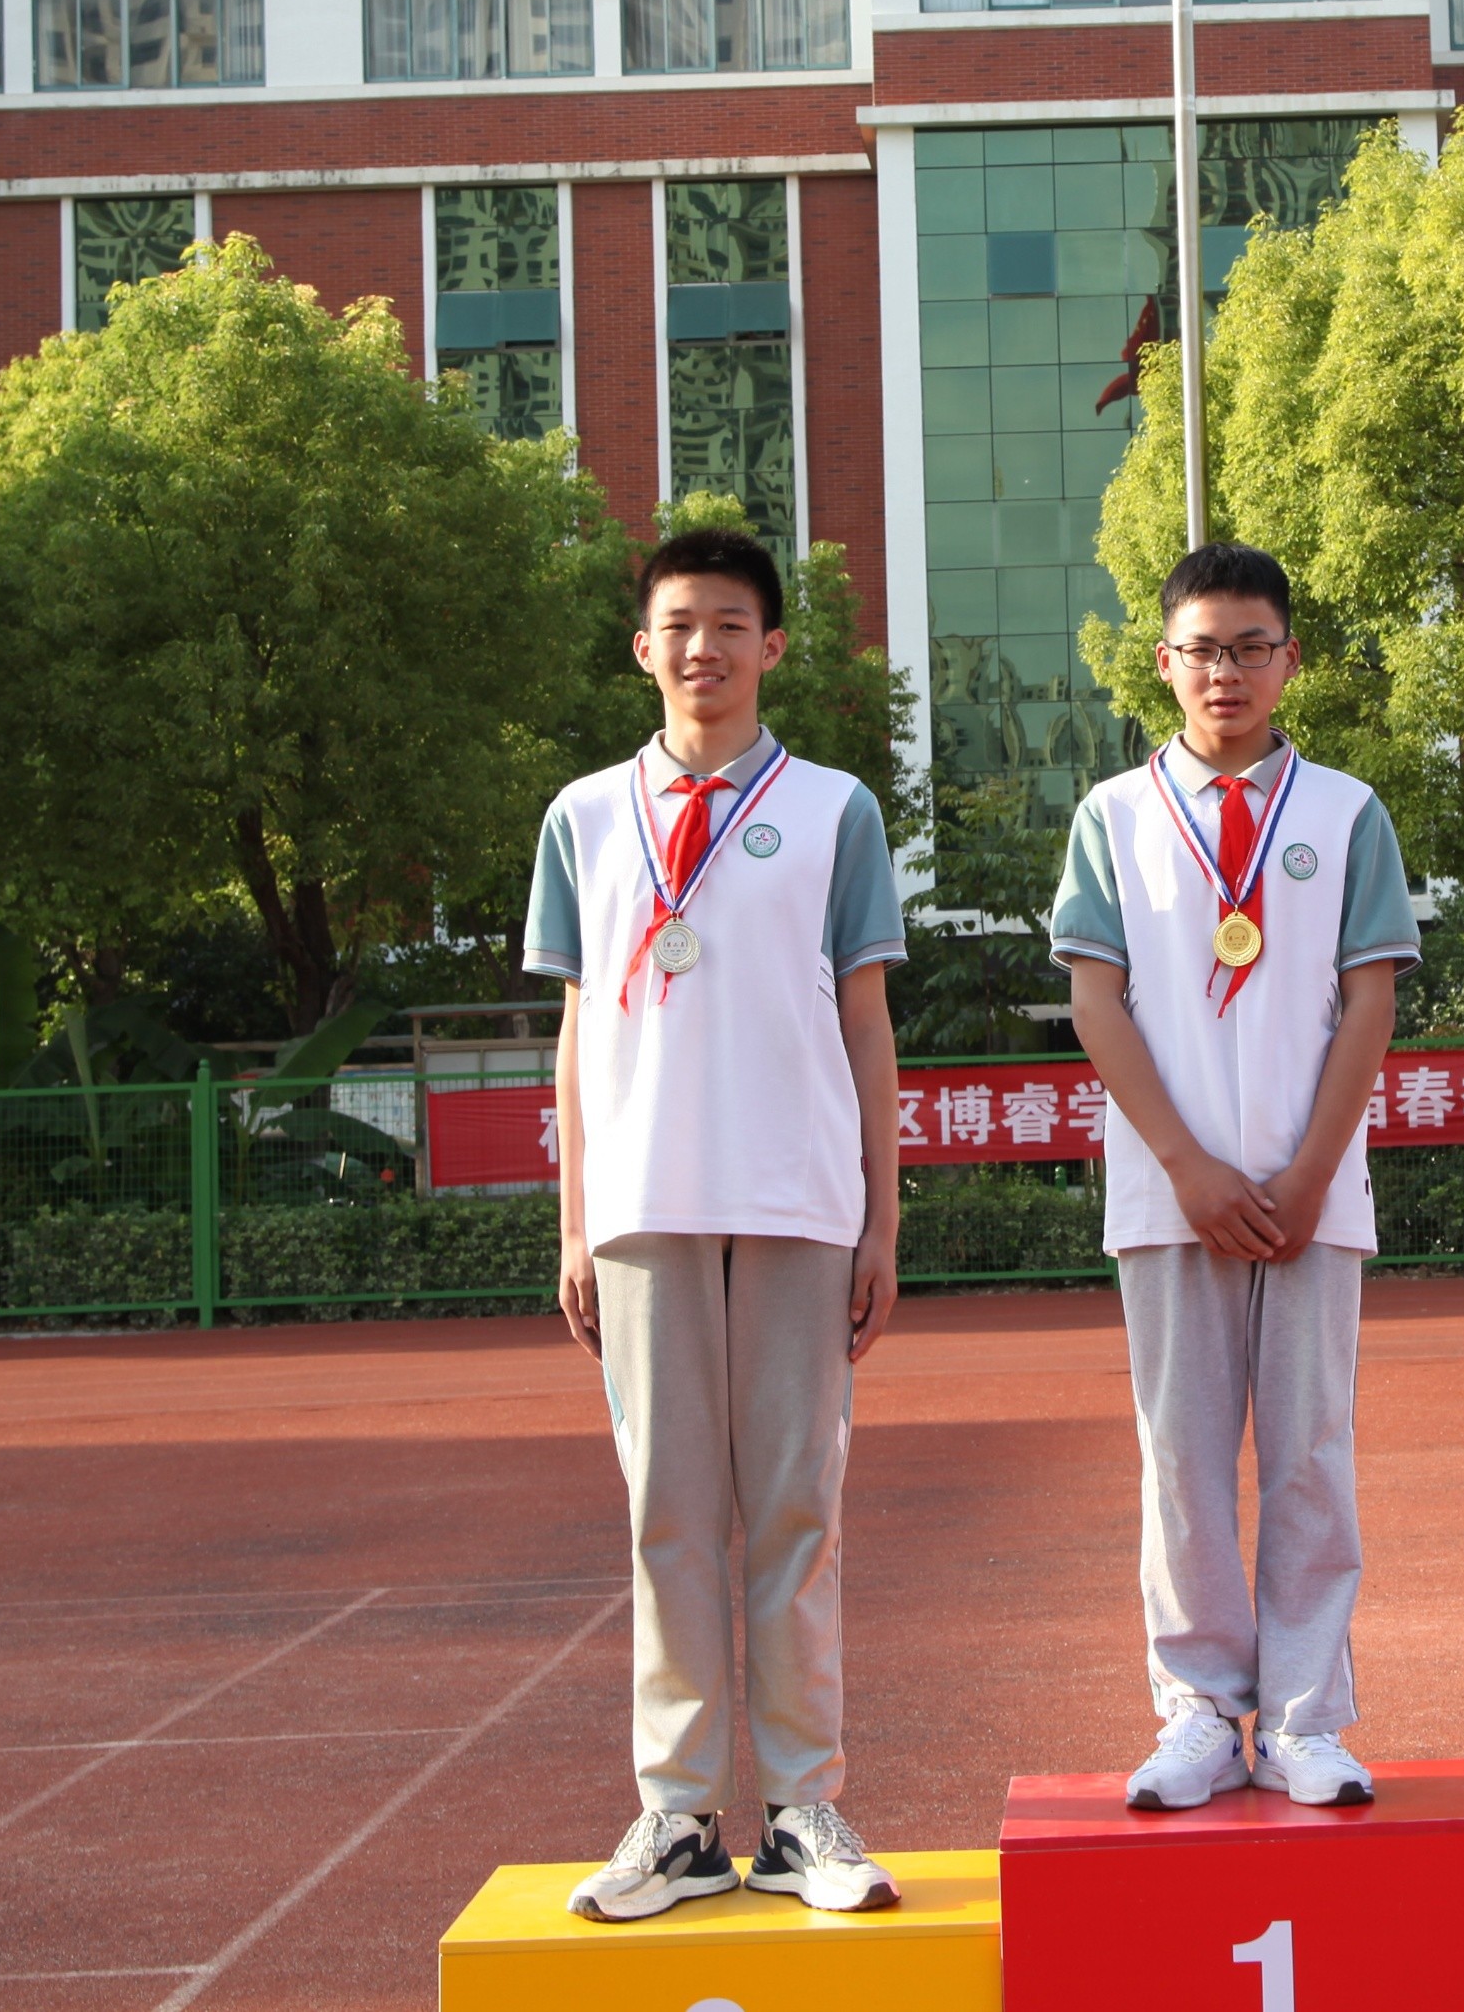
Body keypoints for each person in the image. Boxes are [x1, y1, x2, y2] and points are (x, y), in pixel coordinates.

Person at [528, 525, 907, 1922]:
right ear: (644, 648)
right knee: (669, 1513)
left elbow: (866, 1020)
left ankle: (803, 1806)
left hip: (799, 1202)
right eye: (679, 625)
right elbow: (576, 1030)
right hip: (644, 1206)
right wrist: (574, 1218)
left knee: (796, 1508)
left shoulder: (834, 810)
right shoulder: (583, 816)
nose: (704, 647)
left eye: (731, 624)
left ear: (773, 646)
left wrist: (879, 1216)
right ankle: (679, 1814)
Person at [1051, 541, 1418, 1812]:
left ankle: (1306, 1717)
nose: (1226, 671)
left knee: (1309, 1455)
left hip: (1315, 1196)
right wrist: (1189, 1168)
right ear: (1163, 663)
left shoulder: (1346, 813)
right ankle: (1199, 1711)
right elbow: (1096, 1005)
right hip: (1170, 1200)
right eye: (1203, 649)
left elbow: (1368, 1001)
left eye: (1250, 648)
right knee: (1182, 1461)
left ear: (1288, 660)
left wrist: (1309, 1173)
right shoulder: (1113, 816)